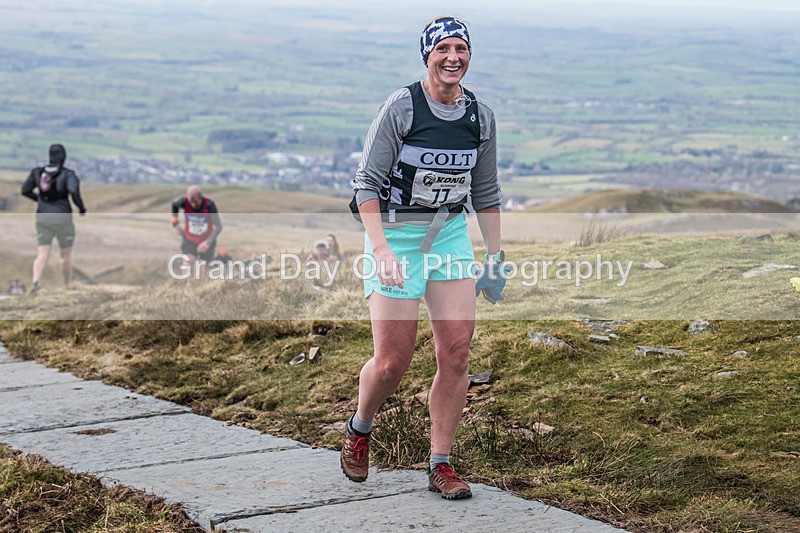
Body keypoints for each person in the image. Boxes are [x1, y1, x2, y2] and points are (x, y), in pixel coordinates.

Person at [341, 16, 507, 500]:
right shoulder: (403, 107)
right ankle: (360, 427)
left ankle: (441, 464)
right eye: (443, 49)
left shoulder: (481, 116)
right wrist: (382, 250)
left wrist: (495, 256)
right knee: (393, 362)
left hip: (449, 235)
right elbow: (366, 185)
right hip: (394, 236)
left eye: (462, 48)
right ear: (427, 56)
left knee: (456, 353)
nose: (453, 57)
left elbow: (487, 191)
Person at [21, 144, 87, 293]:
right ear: (64, 157)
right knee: (65, 255)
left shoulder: (38, 173)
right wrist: (81, 208)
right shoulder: (68, 174)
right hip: (63, 219)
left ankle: (36, 282)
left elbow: (25, 190)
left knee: (42, 253)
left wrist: (39, 199)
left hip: (43, 218)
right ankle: (66, 285)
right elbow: (73, 191)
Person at [171, 185, 222, 265]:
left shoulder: (209, 205)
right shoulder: (183, 202)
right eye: (190, 202)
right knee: (187, 263)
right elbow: (174, 204)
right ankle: (188, 277)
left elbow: (219, 226)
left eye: (196, 202)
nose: (193, 205)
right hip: (189, 239)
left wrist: (208, 242)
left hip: (206, 240)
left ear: (201, 197)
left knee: (209, 270)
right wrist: (175, 224)